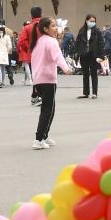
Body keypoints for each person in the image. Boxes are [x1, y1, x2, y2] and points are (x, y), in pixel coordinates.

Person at [30, 16, 73, 150]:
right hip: (48, 80)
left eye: (56, 25)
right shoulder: (50, 41)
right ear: (45, 29)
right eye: (53, 26)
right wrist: (66, 68)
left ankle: (44, 136)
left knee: (49, 109)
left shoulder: (39, 41)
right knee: (47, 110)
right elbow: (58, 57)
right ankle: (38, 139)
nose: (56, 28)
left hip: (38, 80)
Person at [74, 14, 104, 99]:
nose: (92, 23)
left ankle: (94, 93)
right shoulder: (82, 31)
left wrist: (100, 56)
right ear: (86, 21)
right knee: (85, 74)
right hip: (84, 55)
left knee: (94, 74)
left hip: (93, 55)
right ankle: (86, 93)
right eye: (91, 21)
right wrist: (76, 53)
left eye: (94, 21)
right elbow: (77, 43)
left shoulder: (97, 31)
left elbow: (101, 44)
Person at [18, 7, 42, 104]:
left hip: (32, 55)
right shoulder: (45, 26)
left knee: (35, 74)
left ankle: (36, 94)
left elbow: (21, 41)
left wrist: (28, 49)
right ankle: (37, 94)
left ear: (31, 15)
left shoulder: (27, 28)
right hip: (44, 54)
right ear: (41, 14)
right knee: (42, 74)